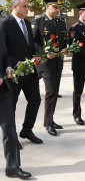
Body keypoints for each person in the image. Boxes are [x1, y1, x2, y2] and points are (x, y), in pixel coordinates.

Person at [0, 0, 43, 145]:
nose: (27, 9)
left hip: (29, 71)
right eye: (24, 6)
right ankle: (12, 138)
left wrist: (36, 56)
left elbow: (30, 46)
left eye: (27, 6)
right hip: (14, 72)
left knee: (35, 100)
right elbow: (3, 51)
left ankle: (27, 130)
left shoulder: (27, 23)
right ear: (15, 7)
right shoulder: (4, 24)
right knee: (11, 105)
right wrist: (14, 63)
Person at [31, 0, 69, 136]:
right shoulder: (39, 21)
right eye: (55, 7)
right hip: (45, 63)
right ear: (47, 7)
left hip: (58, 62)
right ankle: (48, 122)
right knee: (51, 92)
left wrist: (65, 49)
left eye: (59, 7)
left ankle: (50, 119)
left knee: (54, 92)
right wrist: (43, 52)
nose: (58, 9)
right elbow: (32, 42)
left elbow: (63, 41)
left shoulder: (60, 22)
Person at [0, 33, 32, 179]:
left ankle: (12, 166)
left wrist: (8, 66)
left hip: (3, 91)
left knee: (10, 130)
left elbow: (4, 54)